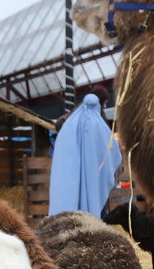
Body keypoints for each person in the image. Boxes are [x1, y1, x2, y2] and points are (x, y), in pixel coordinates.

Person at [47, 86, 121, 217]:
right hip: (92, 171)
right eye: (105, 101)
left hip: (76, 168)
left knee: (75, 195)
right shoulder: (97, 120)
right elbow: (111, 147)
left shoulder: (72, 119)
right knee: (93, 197)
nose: (105, 104)